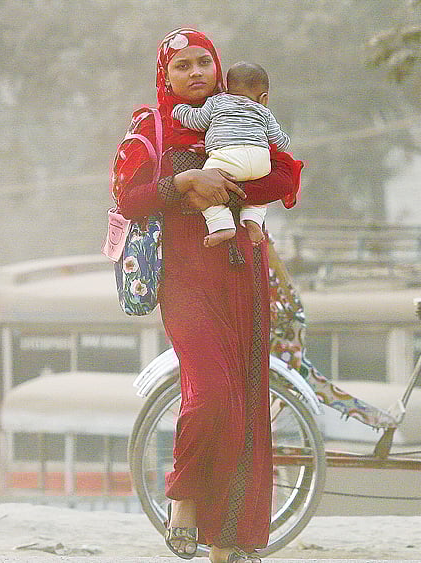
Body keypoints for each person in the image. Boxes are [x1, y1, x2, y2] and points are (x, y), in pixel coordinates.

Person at [111, 28, 302, 563]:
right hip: (188, 282)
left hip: (244, 277)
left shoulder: (240, 112)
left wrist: (235, 184)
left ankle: (228, 543)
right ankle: (184, 504)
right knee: (213, 394)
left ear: (218, 69)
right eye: (182, 66)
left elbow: (287, 175)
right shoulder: (150, 127)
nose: (195, 73)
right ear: (164, 76)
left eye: (203, 63)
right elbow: (129, 198)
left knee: (244, 407)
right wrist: (187, 183)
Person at [172, 61, 291, 247]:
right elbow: (280, 141)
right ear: (264, 97)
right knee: (260, 193)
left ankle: (221, 225)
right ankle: (253, 219)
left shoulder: (217, 101)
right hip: (260, 161)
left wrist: (181, 110)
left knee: (205, 187)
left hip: (228, 158)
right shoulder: (264, 111)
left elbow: (198, 121)